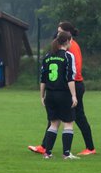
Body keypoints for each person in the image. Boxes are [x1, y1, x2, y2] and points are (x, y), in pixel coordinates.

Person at [28, 31, 78, 159]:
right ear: (67, 41)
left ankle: (47, 153)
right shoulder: (68, 56)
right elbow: (70, 78)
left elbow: (43, 79)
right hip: (63, 94)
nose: (71, 42)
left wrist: (42, 96)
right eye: (71, 40)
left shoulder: (47, 56)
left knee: (53, 123)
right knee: (68, 123)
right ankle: (66, 154)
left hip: (50, 94)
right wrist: (73, 95)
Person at [58, 21, 96, 155]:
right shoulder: (68, 47)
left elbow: (76, 69)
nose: (57, 34)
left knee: (79, 116)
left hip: (75, 85)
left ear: (66, 33)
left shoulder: (72, 47)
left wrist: (68, 85)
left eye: (59, 31)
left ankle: (90, 148)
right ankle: (45, 146)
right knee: (58, 114)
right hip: (71, 85)